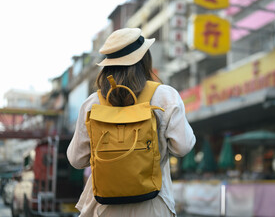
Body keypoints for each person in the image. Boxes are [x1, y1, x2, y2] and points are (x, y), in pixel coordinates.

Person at [67, 28, 196, 217]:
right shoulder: (165, 96)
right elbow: (183, 147)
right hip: (153, 206)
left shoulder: (93, 104)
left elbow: (76, 159)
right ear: (145, 59)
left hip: (103, 208)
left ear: (108, 65)